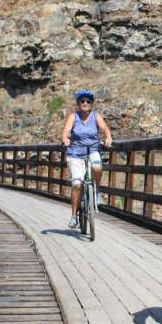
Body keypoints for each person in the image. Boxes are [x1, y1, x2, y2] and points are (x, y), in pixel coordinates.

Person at [61, 90, 112, 229]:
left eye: (88, 101)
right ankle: (73, 217)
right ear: (78, 103)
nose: (85, 103)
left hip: (92, 149)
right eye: (82, 101)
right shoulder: (73, 116)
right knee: (77, 184)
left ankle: (96, 191)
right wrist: (65, 138)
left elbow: (105, 128)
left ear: (91, 104)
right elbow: (66, 131)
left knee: (97, 168)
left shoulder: (96, 116)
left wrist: (108, 137)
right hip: (75, 153)